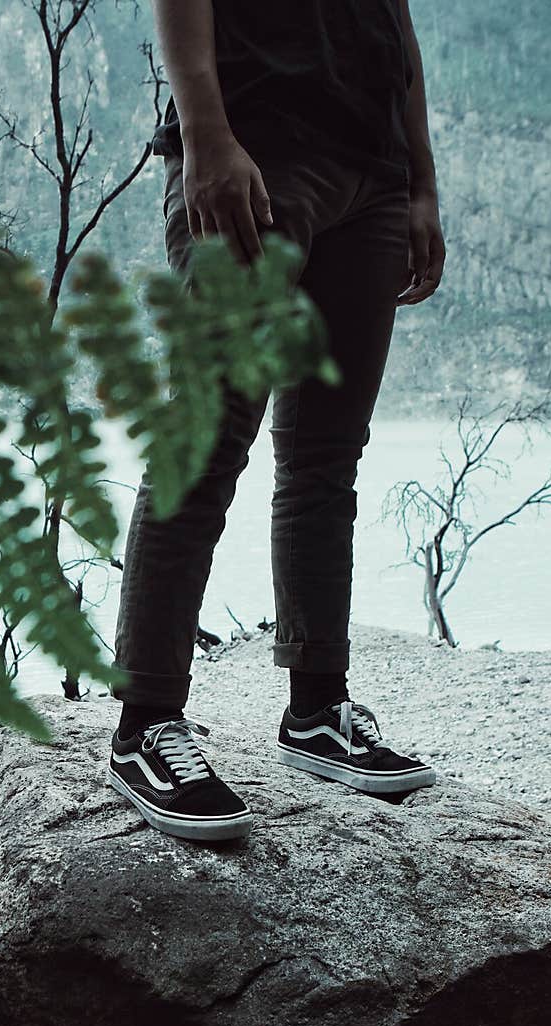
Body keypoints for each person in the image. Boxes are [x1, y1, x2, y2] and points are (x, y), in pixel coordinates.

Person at [107, 0, 446, 842]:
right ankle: (145, 722)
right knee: (210, 436)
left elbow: (394, 21)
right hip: (257, 149)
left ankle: (317, 710)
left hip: (373, 169)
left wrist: (421, 181)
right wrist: (207, 135)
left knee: (326, 462)